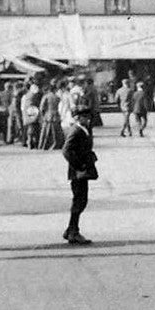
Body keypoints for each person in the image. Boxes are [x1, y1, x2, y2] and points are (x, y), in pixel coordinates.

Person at [61, 102, 97, 245]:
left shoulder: (84, 129)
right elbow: (66, 150)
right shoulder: (76, 130)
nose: (87, 119)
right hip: (78, 172)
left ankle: (71, 229)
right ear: (77, 118)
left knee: (80, 200)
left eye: (88, 116)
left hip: (82, 170)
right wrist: (78, 165)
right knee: (79, 201)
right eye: (84, 117)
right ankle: (73, 232)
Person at [38, 82, 63, 150]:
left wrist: (43, 115)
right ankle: (55, 145)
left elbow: (41, 107)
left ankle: (43, 146)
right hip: (56, 115)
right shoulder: (57, 97)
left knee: (46, 132)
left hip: (48, 115)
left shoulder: (46, 96)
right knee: (56, 132)